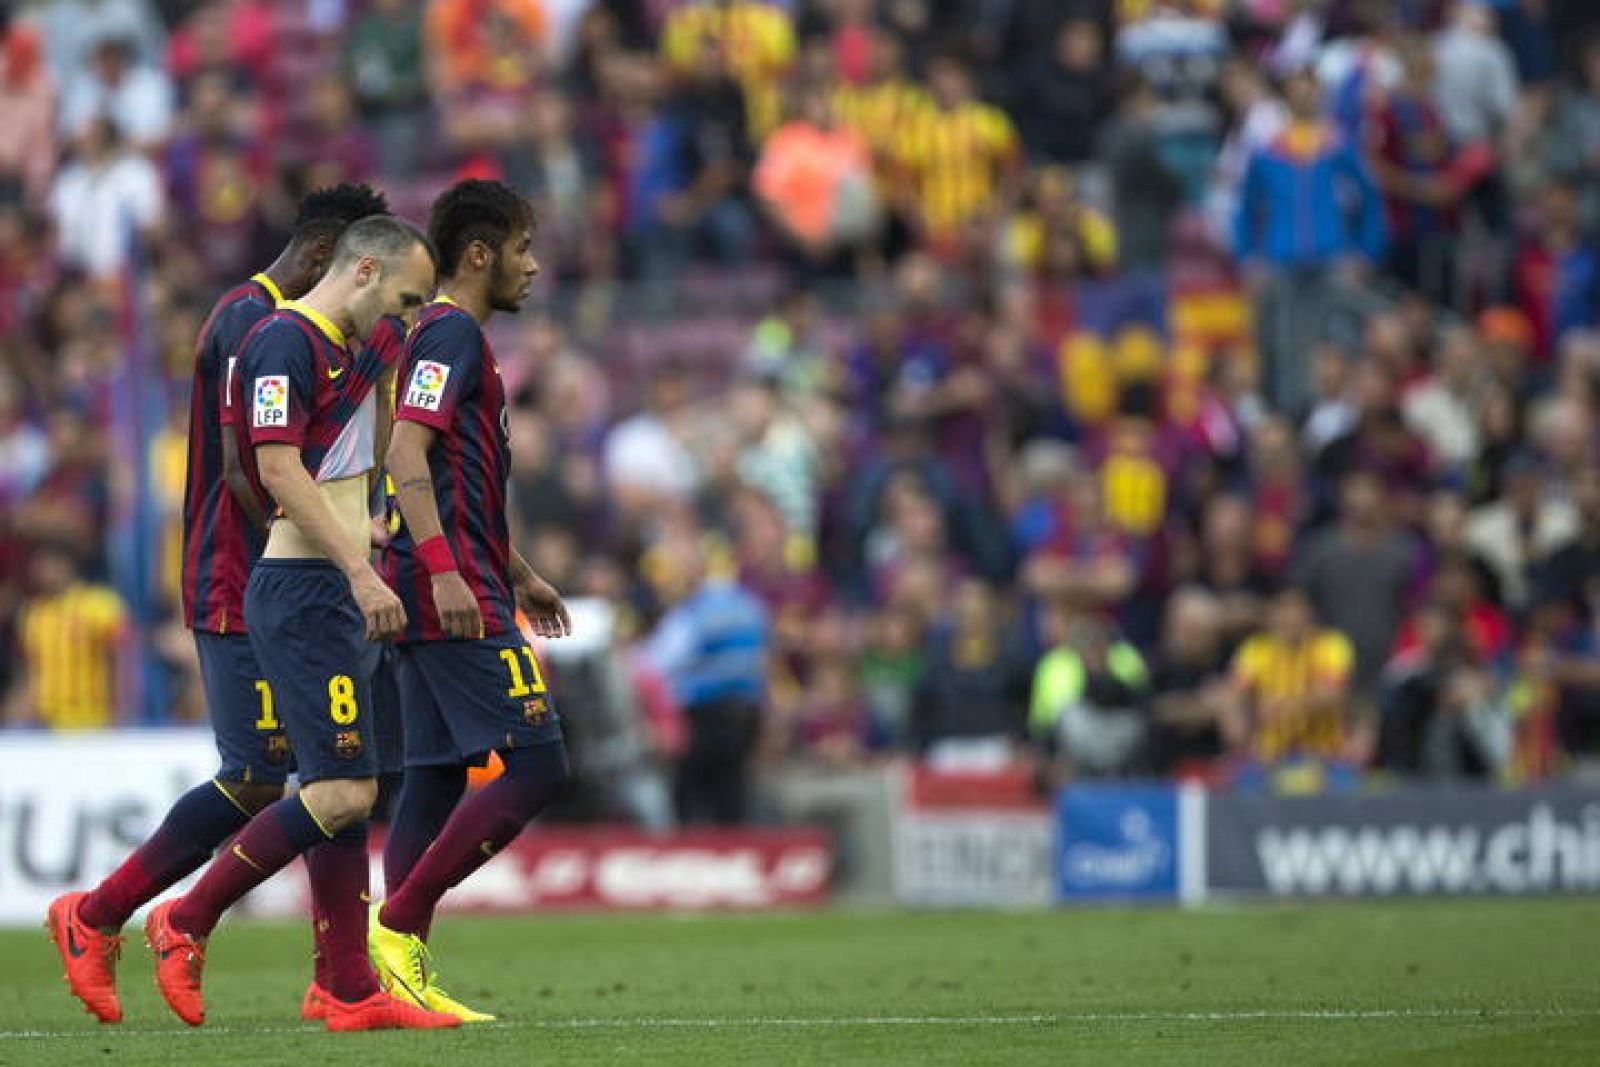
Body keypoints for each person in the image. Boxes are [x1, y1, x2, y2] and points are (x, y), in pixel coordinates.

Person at [45, 184, 388, 1027]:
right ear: (323, 260)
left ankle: (345, 980)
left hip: (289, 573)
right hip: (243, 575)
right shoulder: (256, 323)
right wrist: (316, 551)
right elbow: (249, 466)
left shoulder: (295, 327)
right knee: (254, 776)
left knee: (334, 766)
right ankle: (98, 913)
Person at [142, 216, 453, 1032]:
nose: (413, 319)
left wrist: (378, 520)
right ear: (363, 271)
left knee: (346, 788)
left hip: (336, 584)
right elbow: (273, 467)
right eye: (408, 299)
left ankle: (348, 989)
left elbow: (363, 442)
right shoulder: (279, 341)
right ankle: (185, 918)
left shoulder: (362, 347)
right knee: (342, 789)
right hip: (303, 588)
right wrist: (357, 567)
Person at [368, 179, 571, 1021]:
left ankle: (395, 966)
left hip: (463, 574)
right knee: (538, 763)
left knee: (436, 770)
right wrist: (450, 570)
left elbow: (458, 479)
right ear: (481, 254)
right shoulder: (450, 333)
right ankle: (400, 920)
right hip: (448, 586)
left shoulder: (461, 341)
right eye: (522, 249)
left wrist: (516, 569)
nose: (532, 267)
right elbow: (407, 456)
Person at [642, 529, 769, 824]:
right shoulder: (748, 604)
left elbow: (653, 664)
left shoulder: (692, 613)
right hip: (746, 715)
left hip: (705, 717)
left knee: (688, 798)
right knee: (734, 799)